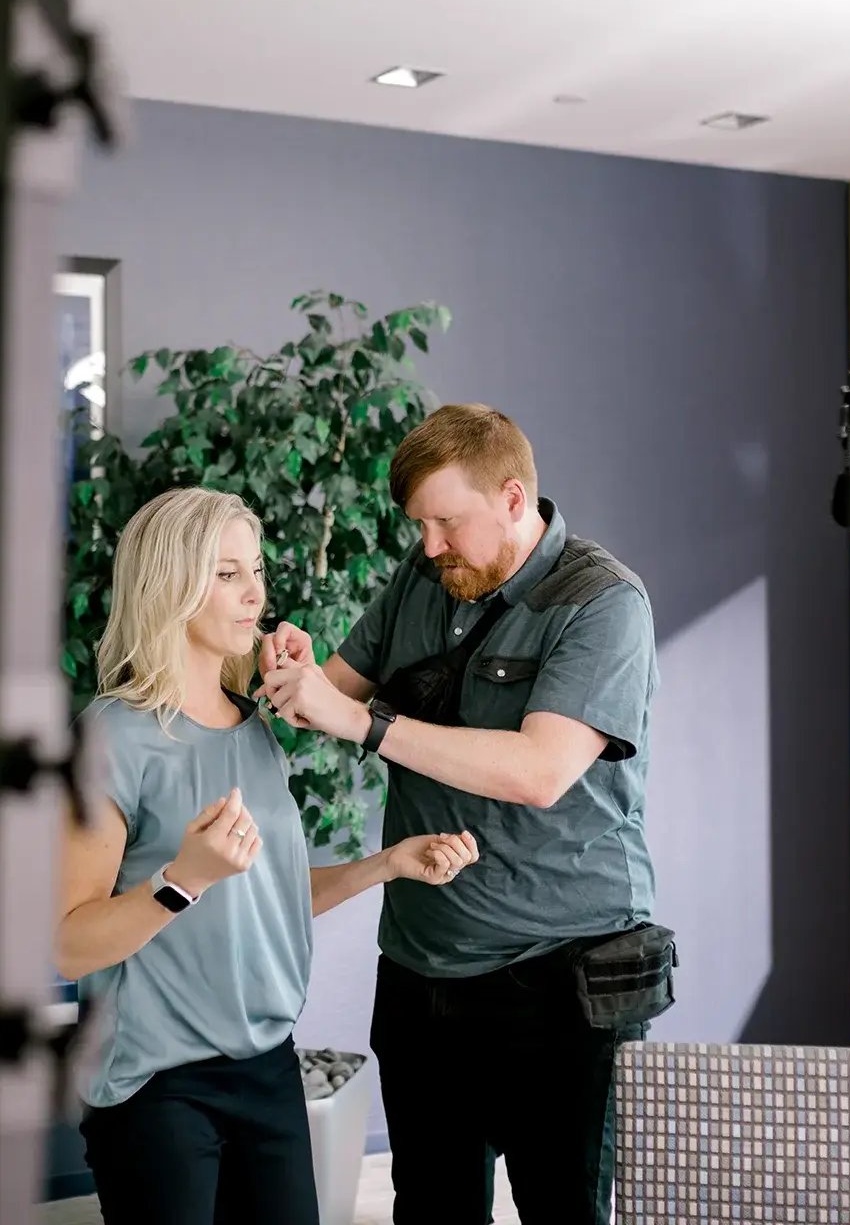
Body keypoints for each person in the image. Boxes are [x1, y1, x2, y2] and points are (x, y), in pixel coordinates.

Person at [252, 404, 662, 1225]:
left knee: (564, 1210)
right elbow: (331, 696)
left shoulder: (603, 602)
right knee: (430, 1209)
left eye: (446, 521)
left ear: (514, 498)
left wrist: (362, 722)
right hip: (422, 968)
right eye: (419, 524)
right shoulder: (425, 573)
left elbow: (540, 772)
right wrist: (295, 672)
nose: (429, 544)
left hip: (559, 980)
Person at [57, 486, 479, 1225]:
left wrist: (387, 864)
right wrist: (181, 879)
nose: (255, 593)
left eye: (255, 569)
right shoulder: (110, 738)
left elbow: (265, 896)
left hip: (267, 1068)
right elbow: (69, 947)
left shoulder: (254, 729)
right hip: (156, 1087)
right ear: (170, 585)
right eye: (226, 574)